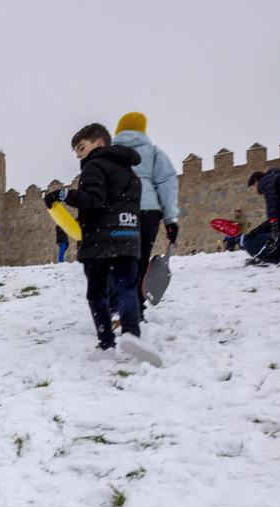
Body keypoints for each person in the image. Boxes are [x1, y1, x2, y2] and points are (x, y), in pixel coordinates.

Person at [44, 123, 160, 365]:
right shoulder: (131, 173)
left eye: (81, 147)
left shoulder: (94, 166)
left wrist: (62, 195)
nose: (78, 155)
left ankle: (106, 344)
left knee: (97, 294)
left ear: (98, 143)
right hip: (128, 239)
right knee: (126, 289)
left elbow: (94, 201)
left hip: (99, 242)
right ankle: (131, 335)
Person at [112, 112, 179, 318]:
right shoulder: (154, 152)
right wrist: (171, 219)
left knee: (120, 258)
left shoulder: (109, 153)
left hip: (120, 211)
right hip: (148, 212)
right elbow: (166, 184)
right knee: (141, 258)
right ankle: (136, 307)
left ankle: (117, 304)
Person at [248, 167, 280, 261]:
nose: (253, 190)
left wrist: (273, 222)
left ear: (256, 181)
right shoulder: (277, 180)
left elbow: (272, 203)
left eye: (252, 187)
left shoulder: (265, 181)